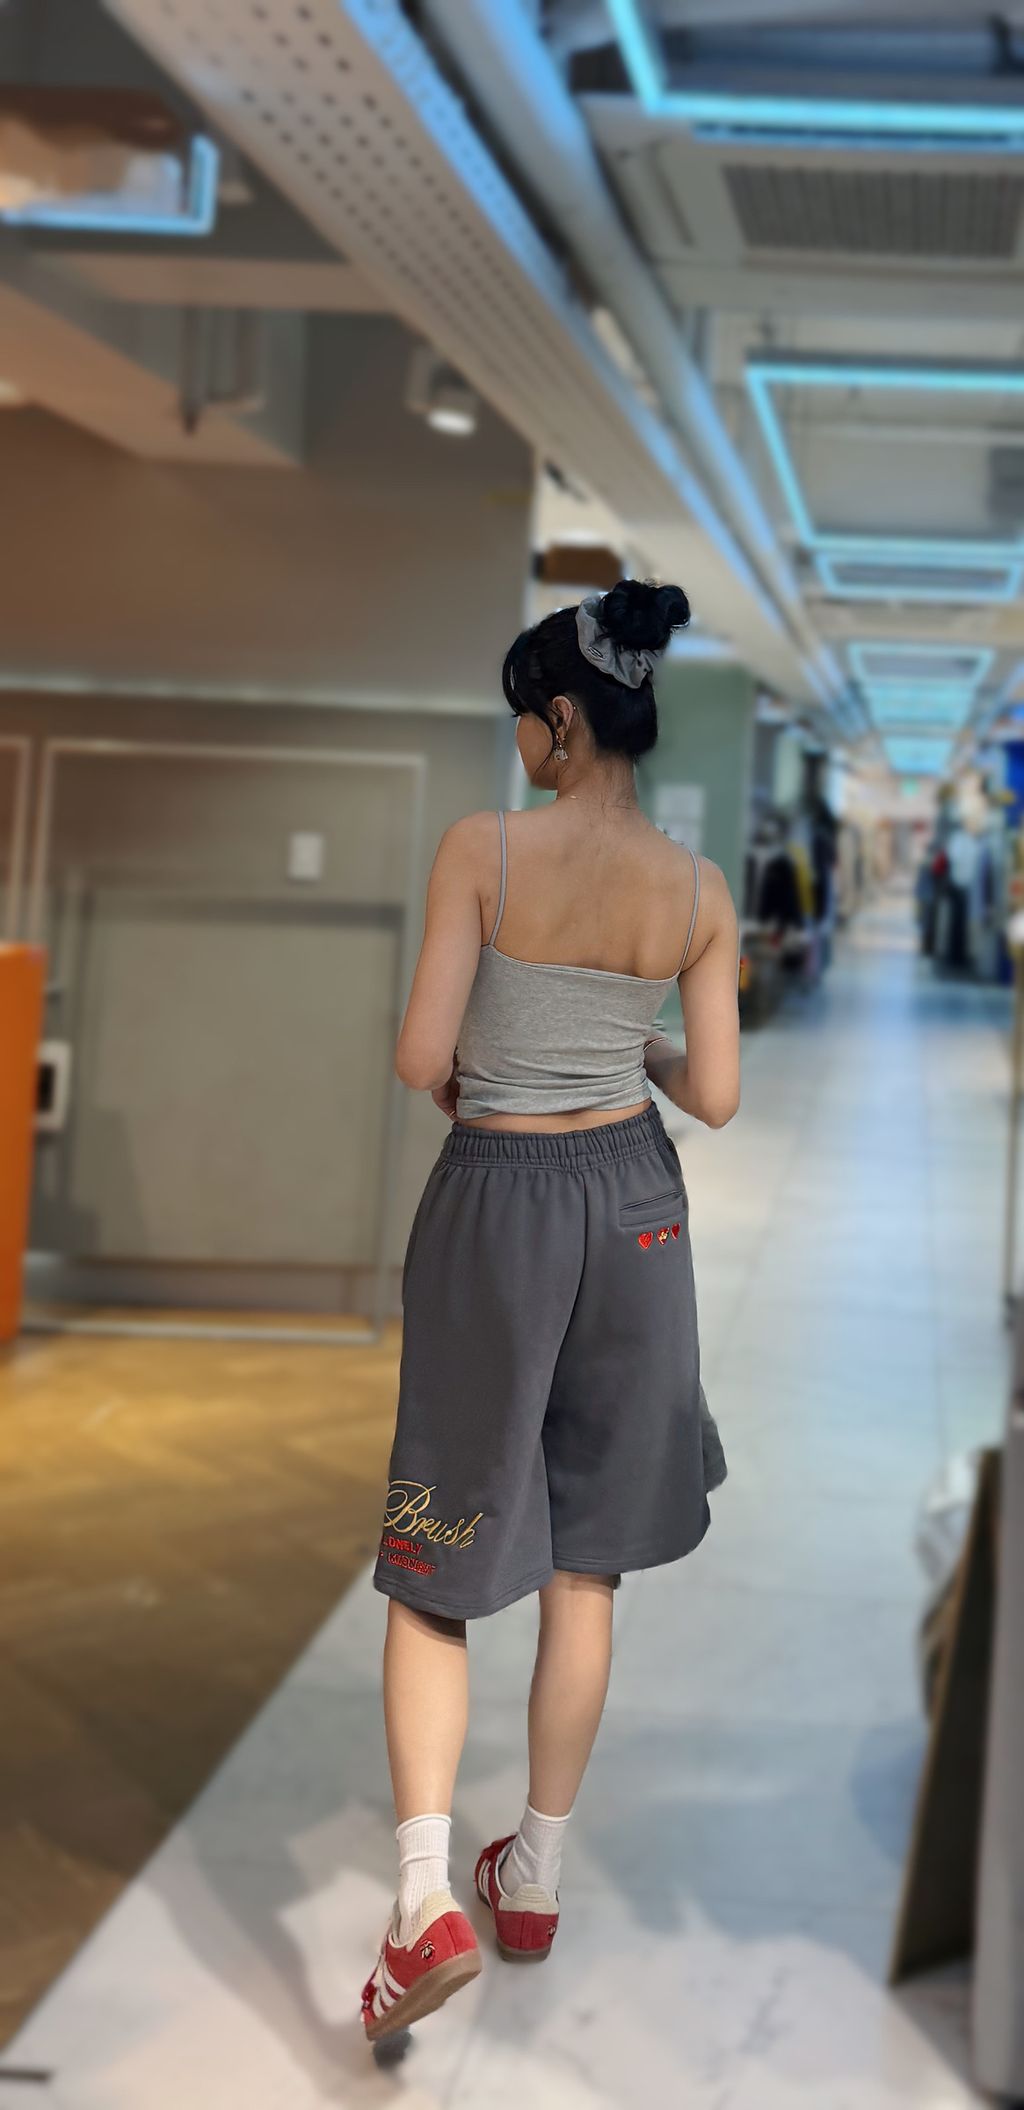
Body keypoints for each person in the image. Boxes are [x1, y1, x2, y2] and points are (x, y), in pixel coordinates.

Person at [360, 579, 741, 2044]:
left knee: (436, 1557)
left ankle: (421, 1902)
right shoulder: (697, 893)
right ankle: (533, 1874)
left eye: (527, 719)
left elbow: (421, 1058)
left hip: (501, 1205)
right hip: (639, 1211)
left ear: (564, 720)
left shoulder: (485, 849)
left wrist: (496, 1073)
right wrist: (625, 1044)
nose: (521, 741)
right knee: (587, 1564)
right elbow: (714, 1093)